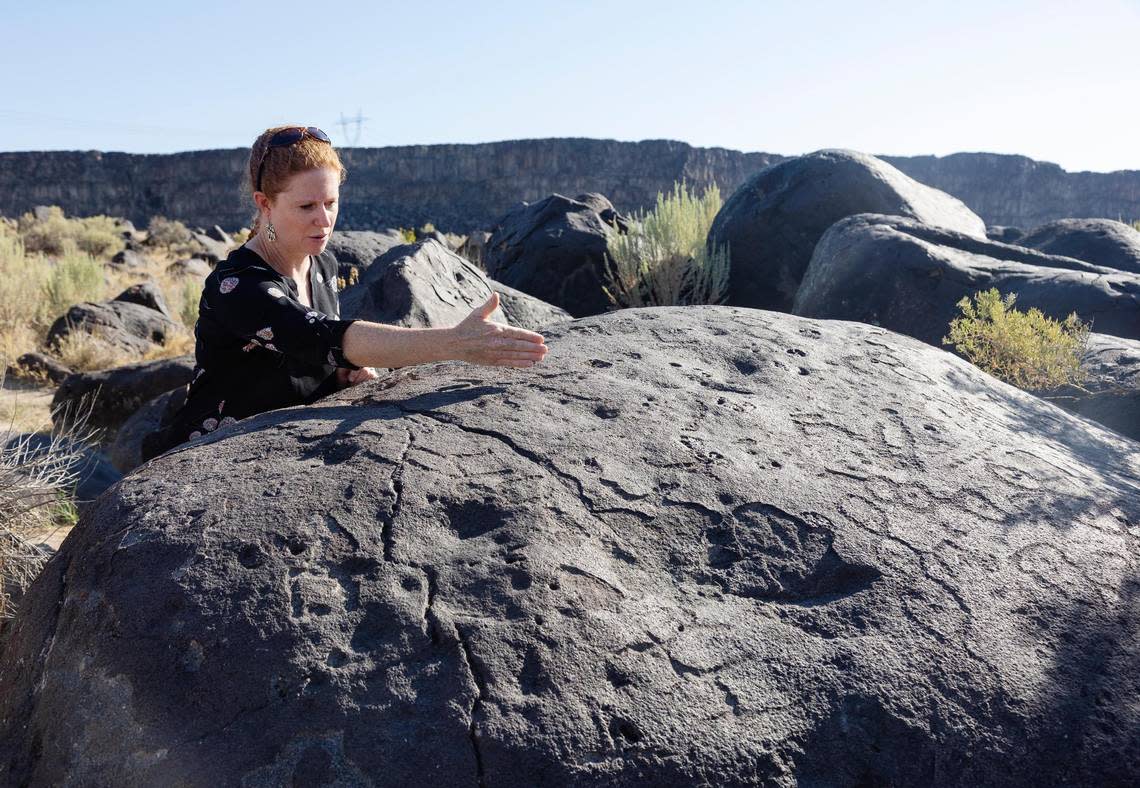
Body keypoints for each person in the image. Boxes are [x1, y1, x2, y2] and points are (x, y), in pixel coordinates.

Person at [142, 125, 548, 459]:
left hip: (291, 446)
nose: (324, 220)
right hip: (214, 458)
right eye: (306, 207)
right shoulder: (238, 286)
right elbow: (320, 335)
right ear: (265, 204)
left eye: (331, 202)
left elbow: (317, 355)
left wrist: (342, 375)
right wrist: (456, 343)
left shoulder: (322, 267)